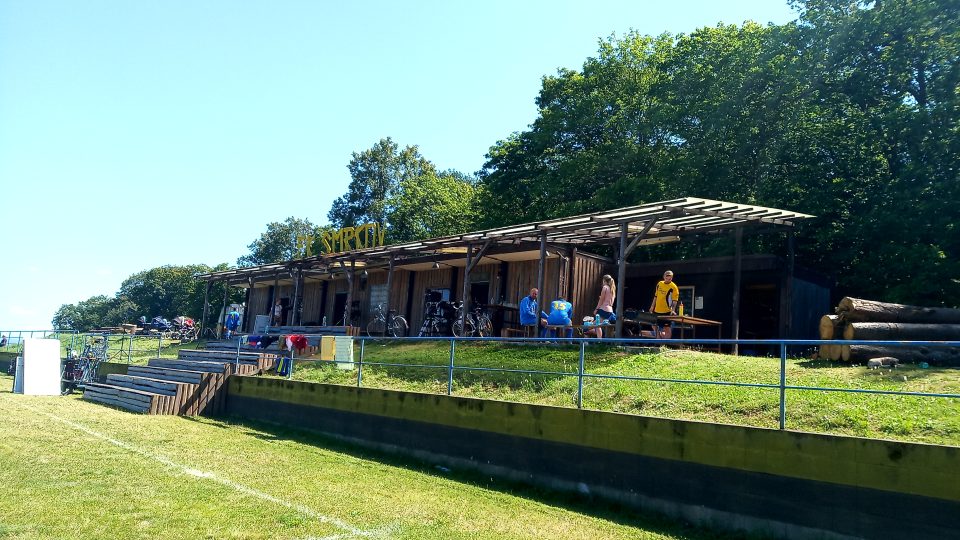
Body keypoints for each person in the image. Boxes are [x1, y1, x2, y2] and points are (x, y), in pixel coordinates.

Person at [649, 270, 679, 338]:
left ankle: (665, 345)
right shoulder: (659, 284)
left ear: (672, 278)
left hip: (667, 311)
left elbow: (675, 300)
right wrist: (652, 307)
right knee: (653, 325)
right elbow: (655, 296)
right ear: (663, 277)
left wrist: (673, 310)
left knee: (667, 328)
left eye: (670, 278)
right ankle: (658, 340)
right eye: (666, 278)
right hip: (657, 310)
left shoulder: (674, 287)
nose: (668, 280)